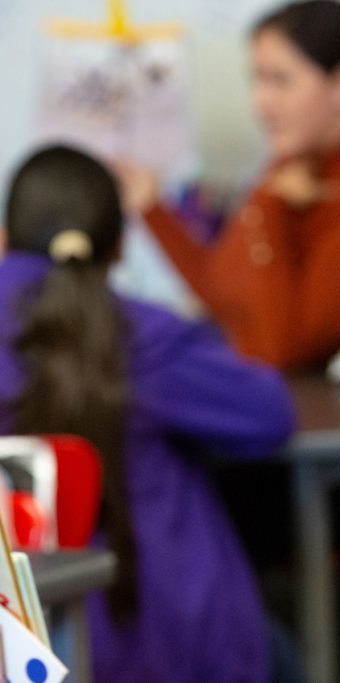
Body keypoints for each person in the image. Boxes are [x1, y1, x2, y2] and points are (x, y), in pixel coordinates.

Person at [0, 145, 296, 682]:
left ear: (3, 239)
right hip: (165, 638)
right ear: (117, 248)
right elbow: (269, 415)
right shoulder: (145, 336)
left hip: (19, 646)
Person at [119, 0, 340, 370]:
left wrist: (269, 206)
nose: (261, 102)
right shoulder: (297, 164)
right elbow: (223, 297)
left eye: (280, 81)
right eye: (256, 79)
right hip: (290, 409)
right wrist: (151, 207)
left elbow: (281, 350)